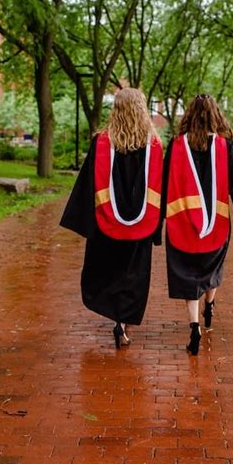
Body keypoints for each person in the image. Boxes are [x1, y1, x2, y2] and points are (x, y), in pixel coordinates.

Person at [59, 88, 163, 348]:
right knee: (134, 274)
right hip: (142, 226)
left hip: (106, 222)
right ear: (142, 109)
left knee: (110, 270)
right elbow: (161, 187)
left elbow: (87, 184)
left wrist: (85, 221)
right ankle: (125, 325)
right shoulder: (153, 146)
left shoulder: (102, 142)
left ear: (115, 110)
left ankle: (116, 319)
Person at [162, 94, 233, 356]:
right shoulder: (228, 147)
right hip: (216, 226)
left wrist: (156, 219)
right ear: (216, 115)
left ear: (189, 116)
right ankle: (211, 303)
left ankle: (194, 324)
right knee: (211, 268)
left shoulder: (176, 146)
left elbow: (164, 183)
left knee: (188, 274)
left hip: (182, 223)